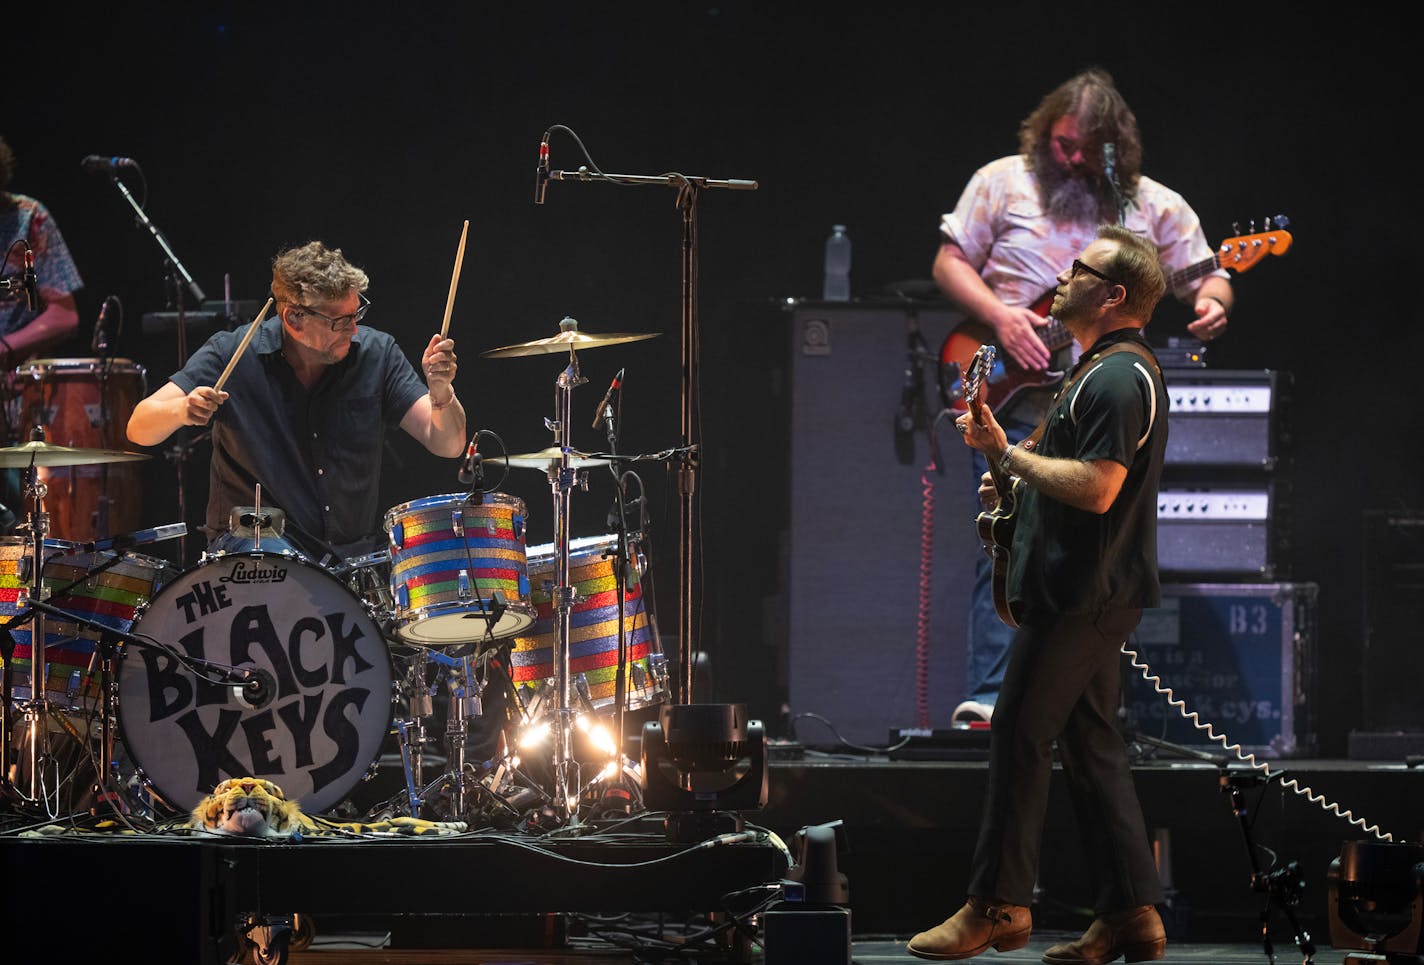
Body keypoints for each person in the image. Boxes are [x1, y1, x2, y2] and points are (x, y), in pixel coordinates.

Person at [934, 68, 1233, 724]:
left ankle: (1080, 702)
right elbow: (949, 261)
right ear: (1044, 132)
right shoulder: (1002, 181)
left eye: (1084, 146)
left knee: (1088, 548)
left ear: (1113, 148)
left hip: (1094, 396)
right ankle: (989, 698)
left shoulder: (1150, 205)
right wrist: (1005, 316)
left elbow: (1207, 273)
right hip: (1011, 390)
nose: (1069, 157)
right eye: (1061, 142)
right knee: (1005, 541)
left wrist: (1214, 302)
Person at [908, 224, 1170, 962]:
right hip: (1083, 588)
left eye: (1081, 270)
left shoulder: (1121, 376)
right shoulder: (1095, 369)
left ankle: (998, 904)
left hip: (1086, 593)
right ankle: (1131, 913)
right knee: (1092, 747)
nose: (1064, 276)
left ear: (1114, 294)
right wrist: (1001, 453)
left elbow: (1098, 488)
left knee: (1019, 729)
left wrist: (1014, 459)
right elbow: (1060, 475)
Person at [126, 239, 466, 562]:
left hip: (350, 558)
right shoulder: (232, 352)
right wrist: (182, 410)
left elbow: (447, 444)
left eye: (356, 314)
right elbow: (139, 427)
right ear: (293, 319)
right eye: (340, 321)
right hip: (254, 556)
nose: (354, 330)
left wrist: (440, 393)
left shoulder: (378, 354)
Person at [0, 134, 84, 530]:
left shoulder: (27, 218)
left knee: (17, 514)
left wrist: (6, 350)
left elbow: (64, 314)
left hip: (13, 397)